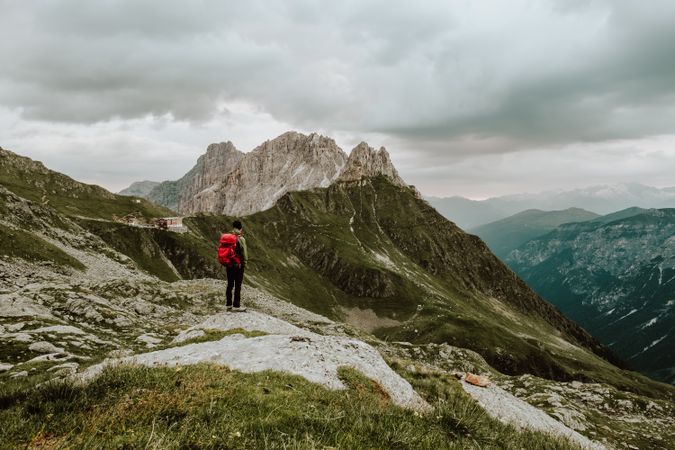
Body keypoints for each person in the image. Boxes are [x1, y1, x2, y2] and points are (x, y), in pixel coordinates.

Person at [224, 220, 248, 312]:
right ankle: (236, 305)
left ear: (233, 227)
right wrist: (244, 263)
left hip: (229, 265)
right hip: (238, 266)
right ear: (240, 228)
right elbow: (244, 253)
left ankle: (228, 305)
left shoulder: (227, 237)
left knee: (230, 284)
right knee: (238, 285)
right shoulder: (241, 239)